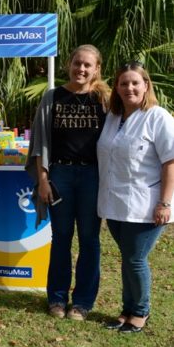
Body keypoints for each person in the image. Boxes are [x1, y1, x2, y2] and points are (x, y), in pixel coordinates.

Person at [26, 44, 110, 321]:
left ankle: (83, 302)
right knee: (60, 238)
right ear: (69, 64)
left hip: (93, 177)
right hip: (60, 175)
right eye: (77, 63)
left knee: (89, 239)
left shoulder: (106, 101)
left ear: (96, 69)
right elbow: (40, 143)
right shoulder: (53, 97)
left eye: (88, 65)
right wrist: (43, 180)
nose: (81, 69)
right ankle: (57, 299)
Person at [97, 62, 174, 333]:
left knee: (135, 258)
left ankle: (140, 312)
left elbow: (170, 162)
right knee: (128, 256)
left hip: (147, 204)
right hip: (116, 204)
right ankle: (127, 309)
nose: (129, 88)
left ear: (145, 86)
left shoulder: (158, 117)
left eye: (135, 83)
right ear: (116, 88)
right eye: (123, 83)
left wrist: (165, 203)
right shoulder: (113, 118)